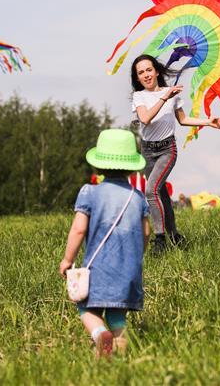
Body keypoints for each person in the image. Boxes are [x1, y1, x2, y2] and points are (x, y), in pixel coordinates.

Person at [59, 129, 150, 359]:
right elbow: (146, 232)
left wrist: (68, 260)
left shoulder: (90, 192)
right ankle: (117, 356)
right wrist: (137, 255)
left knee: (85, 308)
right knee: (117, 315)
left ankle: (100, 335)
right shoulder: (138, 197)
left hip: (99, 269)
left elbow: (79, 229)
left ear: (98, 165)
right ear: (131, 167)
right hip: (128, 271)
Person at [131, 54, 220, 253]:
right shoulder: (139, 96)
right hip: (148, 150)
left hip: (167, 149)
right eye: (141, 73)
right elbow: (145, 118)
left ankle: (160, 240)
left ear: (157, 71)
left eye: (149, 70)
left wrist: (207, 122)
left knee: (151, 191)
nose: (146, 75)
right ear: (138, 78)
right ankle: (174, 235)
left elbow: (183, 120)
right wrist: (163, 97)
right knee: (161, 193)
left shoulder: (171, 94)